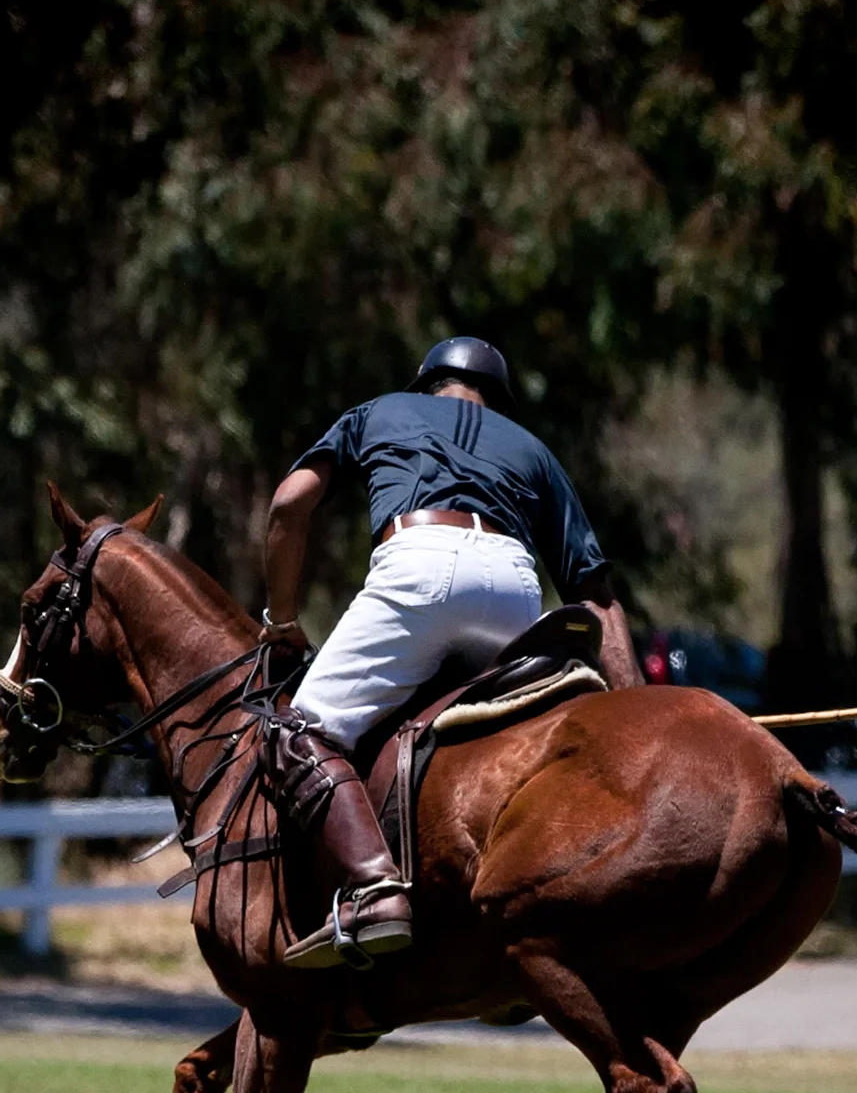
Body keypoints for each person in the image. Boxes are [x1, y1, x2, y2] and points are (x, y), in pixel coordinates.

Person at [258, 337, 639, 971]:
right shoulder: (532, 448)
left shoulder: (380, 410)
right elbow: (596, 595)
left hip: (421, 563)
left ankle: (374, 887)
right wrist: (633, 717)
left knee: (296, 732)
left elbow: (288, 504)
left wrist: (283, 620)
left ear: (427, 384)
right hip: (514, 585)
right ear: (501, 401)